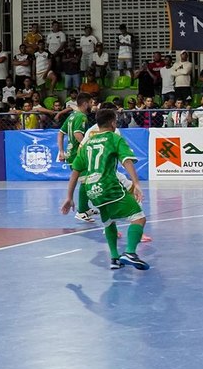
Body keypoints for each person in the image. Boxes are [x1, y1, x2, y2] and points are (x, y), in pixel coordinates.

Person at [60, 108, 149, 270]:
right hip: (109, 185)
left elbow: (75, 171)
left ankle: (114, 258)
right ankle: (130, 252)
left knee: (108, 222)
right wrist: (136, 183)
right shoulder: (114, 138)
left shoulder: (87, 145)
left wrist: (69, 196)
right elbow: (127, 160)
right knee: (139, 217)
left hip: (92, 190)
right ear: (113, 122)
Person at [57, 93, 97, 222]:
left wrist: (61, 151)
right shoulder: (81, 116)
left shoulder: (72, 115)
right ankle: (81, 212)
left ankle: (85, 208)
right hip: (77, 154)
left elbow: (60, 133)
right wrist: (89, 147)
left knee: (86, 180)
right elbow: (78, 134)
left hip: (71, 153)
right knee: (86, 181)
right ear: (85, 104)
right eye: (91, 102)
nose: (92, 105)